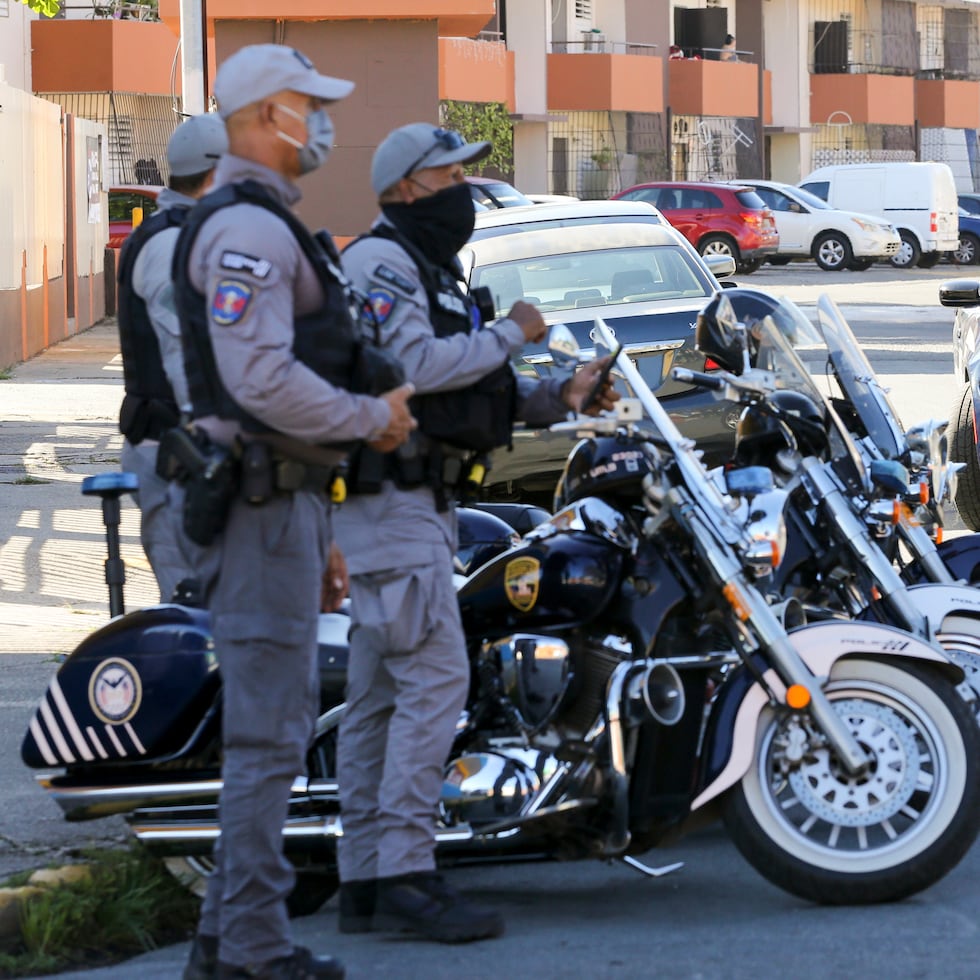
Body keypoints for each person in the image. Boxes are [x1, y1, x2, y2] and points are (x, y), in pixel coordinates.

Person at [334, 122, 619, 944]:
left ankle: (366, 881)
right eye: (449, 175)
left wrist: (560, 394)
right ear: (407, 188)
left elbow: (464, 395)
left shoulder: (428, 269)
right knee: (431, 692)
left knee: (381, 703)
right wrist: (514, 333)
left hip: (417, 505)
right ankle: (406, 877)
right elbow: (417, 367)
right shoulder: (380, 265)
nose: (464, 188)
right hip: (391, 508)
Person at [173, 44, 416, 980]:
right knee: (269, 743)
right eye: (310, 106)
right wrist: (371, 420)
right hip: (261, 506)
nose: (322, 124)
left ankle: (223, 944)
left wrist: (322, 527)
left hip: (286, 506)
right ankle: (253, 952)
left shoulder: (267, 223)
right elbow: (260, 378)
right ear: (267, 113)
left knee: (269, 738)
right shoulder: (249, 232)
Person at [118, 112, 228, 605]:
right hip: (176, 451)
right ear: (216, 172)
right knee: (193, 608)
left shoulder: (195, 234)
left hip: (191, 447)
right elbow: (187, 354)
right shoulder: (168, 245)